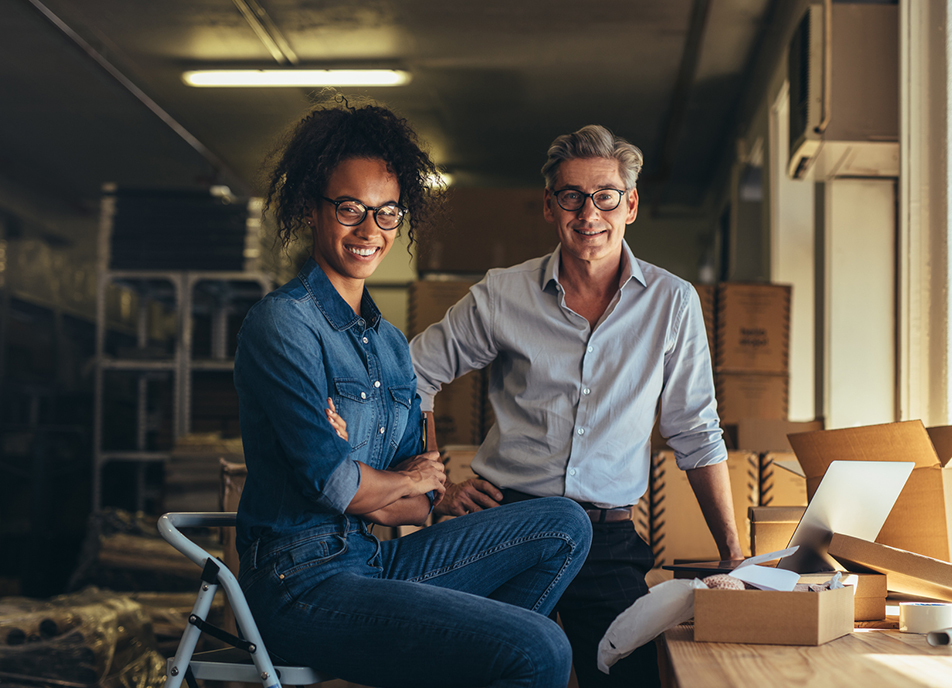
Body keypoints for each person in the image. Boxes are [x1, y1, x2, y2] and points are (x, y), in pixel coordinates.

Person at [233, 97, 592, 688]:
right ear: (311, 207)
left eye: (387, 213)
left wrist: (380, 482)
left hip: (372, 561)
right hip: (300, 585)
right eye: (350, 208)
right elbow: (337, 484)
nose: (369, 230)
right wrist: (395, 480)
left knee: (563, 524)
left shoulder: (392, 345)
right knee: (540, 649)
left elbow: (413, 507)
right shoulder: (284, 325)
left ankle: (466, 661)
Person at [408, 124, 743, 687]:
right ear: (550, 205)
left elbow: (695, 431)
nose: (589, 213)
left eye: (605, 196)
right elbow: (412, 375)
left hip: (607, 541)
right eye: (572, 196)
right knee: (491, 676)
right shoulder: (502, 294)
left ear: (630, 204)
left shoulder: (672, 302)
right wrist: (436, 485)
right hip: (505, 528)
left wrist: (733, 553)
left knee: (634, 679)